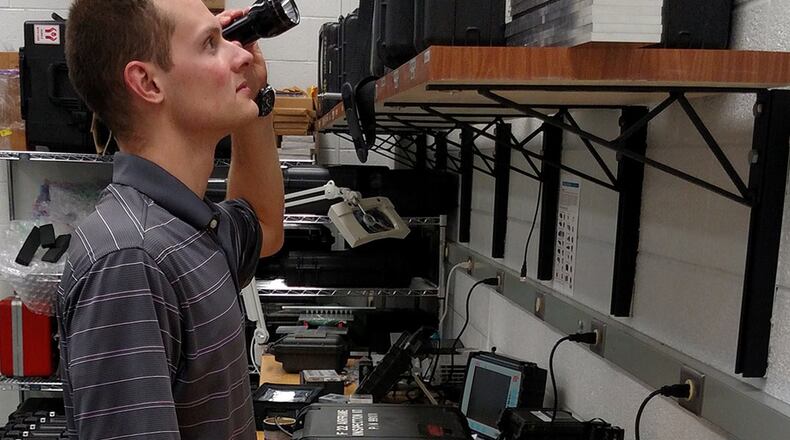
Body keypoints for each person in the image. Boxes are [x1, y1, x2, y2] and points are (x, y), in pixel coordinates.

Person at [56, 0, 284, 438]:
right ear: (147, 82)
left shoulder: (183, 226)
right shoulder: (130, 261)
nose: (241, 55)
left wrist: (254, 100)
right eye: (210, 44)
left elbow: (265, 227)